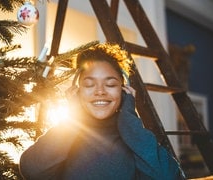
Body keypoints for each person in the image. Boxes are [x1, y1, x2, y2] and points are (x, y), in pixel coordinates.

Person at [19, 43, 184, 180]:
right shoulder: (65, 133)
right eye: (89, 84)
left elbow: (170, 176)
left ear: (124, 90)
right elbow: (31, 170)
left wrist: (128, 116)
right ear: (77, 92)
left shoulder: (134, 138)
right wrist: (74, 117)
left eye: (110, 84)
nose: (100, 91)